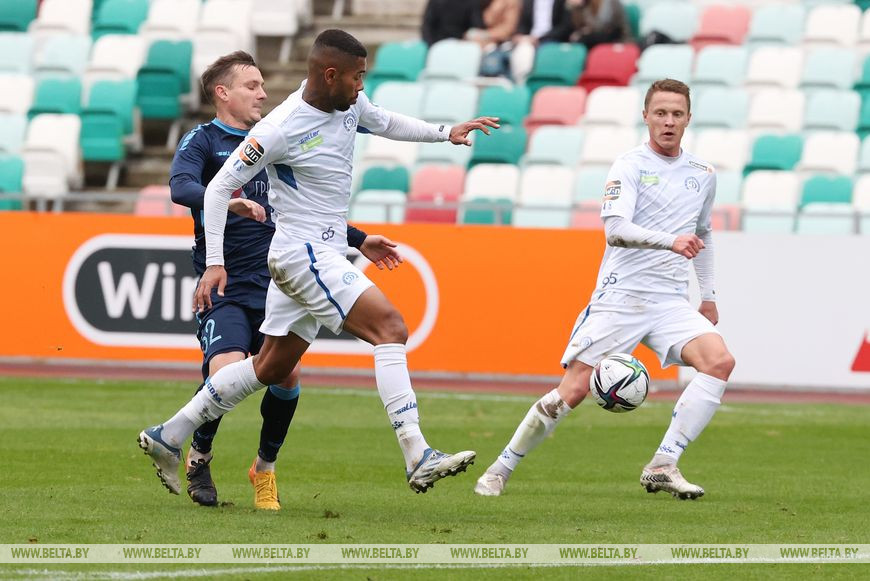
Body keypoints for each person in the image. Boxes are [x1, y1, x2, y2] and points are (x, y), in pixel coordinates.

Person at [139, 29, 499, 497]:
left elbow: (385, 121)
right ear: (330, 75)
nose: (361, 86)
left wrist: (444, 133)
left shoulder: (349, 104)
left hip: (313, 253)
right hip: (302, 254)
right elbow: (218, 188)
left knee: (271, 368)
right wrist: (214, 261)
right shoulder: (280, 128)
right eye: (356, 77)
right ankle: (417, 453)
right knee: (390, 327)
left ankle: (168, 435)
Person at [160, 51, 403, 510]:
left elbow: (303, 210)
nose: (263, 93)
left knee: (287, 376)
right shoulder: (203, 140)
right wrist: (226, 200)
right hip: (227, 284)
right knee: (224, 369)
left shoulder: (276, 134)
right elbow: (181, 187)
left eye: (262, 84)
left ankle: (265, 468)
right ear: (222, 93)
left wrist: (359, 238)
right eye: (251, 85)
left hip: (278, 278)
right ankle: (199, 455)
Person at [474, 78, 736, 500]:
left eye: (677, 114)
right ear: (646, 116)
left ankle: (663, 464)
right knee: (574, 389)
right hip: (621, 297)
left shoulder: (702, 174)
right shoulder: (629, 165)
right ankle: (499, 469)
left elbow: (702, 232)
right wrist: (670, 241)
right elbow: (615, 230)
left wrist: (708, 295)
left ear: (689, 118)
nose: (668, 122)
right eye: (661, 113)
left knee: (719, 362)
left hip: (670, 300)